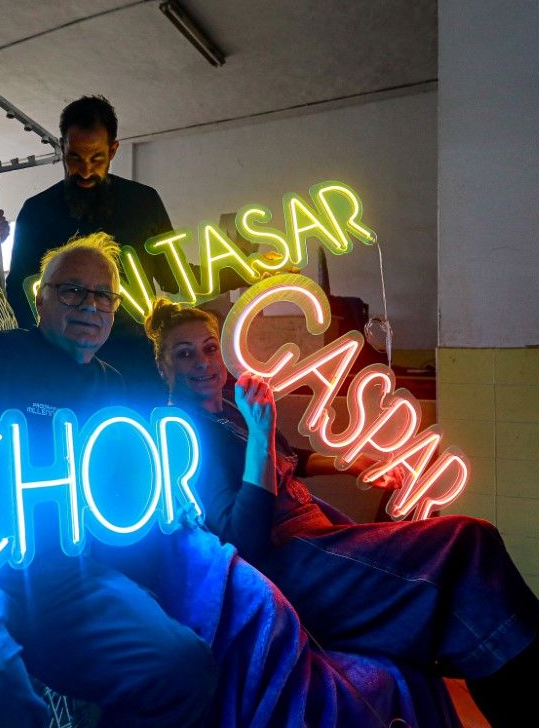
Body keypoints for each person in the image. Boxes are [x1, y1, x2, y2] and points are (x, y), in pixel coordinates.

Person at [0, 232, 217, 728]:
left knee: (181, 665)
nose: (89, 305)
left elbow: (125, 497)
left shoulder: (113, 390)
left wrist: (168, 506)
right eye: (71, 290)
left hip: (67, 580)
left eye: (103, 295)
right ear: (39, 299)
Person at [142, 297, 539, 727]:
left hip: (316, 536)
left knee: (472, 563)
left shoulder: (229, 410)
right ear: (164, 367)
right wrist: (261, 430)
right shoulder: (180, 431)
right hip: (290, 560)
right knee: (468, 542)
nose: (203, 361)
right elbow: (243, 537)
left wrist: (353, 462)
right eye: (184, 353)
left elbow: (290, 458)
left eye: (210, 347)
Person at [0, 95, 178, 402]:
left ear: (113, 150)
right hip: (59, 366)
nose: (84, 171)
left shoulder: (144, 203)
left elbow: (175, 277)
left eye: (96, 159)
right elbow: (19, 296)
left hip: (133, 365)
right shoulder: (38, 211)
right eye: (74, 158)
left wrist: (250, 267)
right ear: (62, 148)